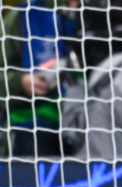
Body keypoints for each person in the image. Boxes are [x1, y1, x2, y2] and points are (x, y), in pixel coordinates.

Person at [1, 0, 79, 158]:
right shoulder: (23, 15)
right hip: (35, 122)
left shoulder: (104, 9)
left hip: (94, 120)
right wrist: (20, 82)